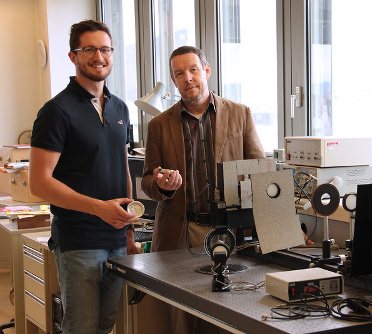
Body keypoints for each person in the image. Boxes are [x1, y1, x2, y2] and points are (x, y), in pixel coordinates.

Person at [29, 20, 138, 334]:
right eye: (88, 49)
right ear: (73, 56)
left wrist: (129, 232)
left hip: (117, 240)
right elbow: (39, 183)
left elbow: (122, 168)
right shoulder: (56, 111)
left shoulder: (119, 107)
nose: (98, 56)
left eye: (105, 49)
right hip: (79, 242)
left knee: (105, 326)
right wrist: (98, 208)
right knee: (81, 328)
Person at [141, 45, 266, 252]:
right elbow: (147, 182)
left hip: (231, 229)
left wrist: (284, 224)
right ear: (174, 80)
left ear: (207, 70)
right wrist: (161, 186)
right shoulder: (158, 125)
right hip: (180, 232)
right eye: (179, 74)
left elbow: (262, 174)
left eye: (193, 70)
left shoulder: (240, 114)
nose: (187, 78)